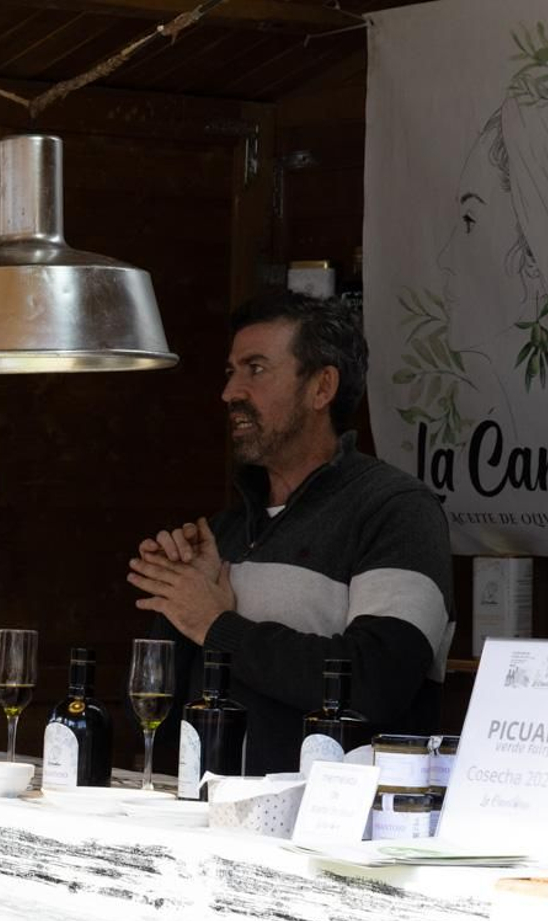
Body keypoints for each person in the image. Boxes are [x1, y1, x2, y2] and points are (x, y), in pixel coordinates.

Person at [126, 292, 454, 774]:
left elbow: (375, 682)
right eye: (230, 371)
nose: (230, 392)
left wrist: (217, 626)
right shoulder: (225, 529)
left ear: (321, 387)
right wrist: (175, 596)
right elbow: (157, 707)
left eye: (255, 369)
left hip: (327, 830)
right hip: (205, 816)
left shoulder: (396, 511)